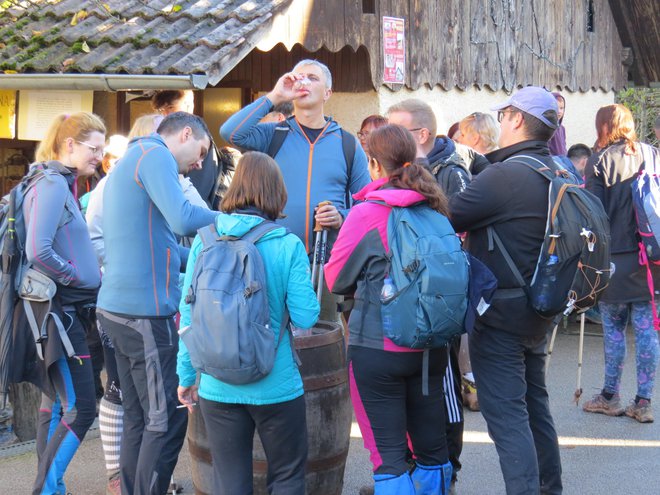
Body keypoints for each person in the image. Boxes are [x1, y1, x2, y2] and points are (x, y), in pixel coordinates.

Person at [177, 151, 319, 494]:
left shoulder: (204, 240)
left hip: (216, 384)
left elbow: (188, 314)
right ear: (277, 192)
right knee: (286, 476)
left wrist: (186, 377)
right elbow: (305, 316)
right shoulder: (287, 244)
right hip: (276, 382)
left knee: (230, 481)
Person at [325, 124, 454, 494]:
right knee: (432, 450)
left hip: (377, 347)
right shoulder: (435, 209)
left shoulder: (366, 214)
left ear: (373, 164)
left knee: (389, 456)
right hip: (431, 347)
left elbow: (336, 279)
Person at [449, 86, 563, 494]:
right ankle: (550, 489)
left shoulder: (506, 175)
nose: (500, 121)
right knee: (535, 408)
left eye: (504, 115)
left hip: (500, 314)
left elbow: (447, 213)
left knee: (506, 415)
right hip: (541, 307)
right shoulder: (558, 170)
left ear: (516, 119)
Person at [96, 112, 217, 495]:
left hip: (116, 310)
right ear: (184, 134)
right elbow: (182, 221)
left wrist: (201, 260)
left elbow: (161, 244)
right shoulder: (155, 156)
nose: (199, 164)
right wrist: (231, 219)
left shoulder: (132, 160)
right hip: (143, 314)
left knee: (138, 417)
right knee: (165, 421)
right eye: (199, 152)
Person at [220, 59, 370, 320]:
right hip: (274, 256)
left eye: (312, 78)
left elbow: (366, 204)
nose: (303, 82)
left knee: (322, 339)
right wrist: (275, 96)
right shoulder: (274, 134)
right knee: (274, 333)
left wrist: (341, 216)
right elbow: (231, 132)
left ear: (328, 93)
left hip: (326, 262)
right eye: (298, 77)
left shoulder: (347, 143)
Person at [387, 99, 469, 487]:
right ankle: (413, 472)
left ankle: (447, 469)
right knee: (410, 397)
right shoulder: (402, 175)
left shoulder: (451, 174)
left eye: (396, 130)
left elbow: (455, 248)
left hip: (437, 310)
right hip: (407, 308)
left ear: (420, 136)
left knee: (444, 393)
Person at [24, 112, 106, 494]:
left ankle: (50, 487)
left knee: (56, 404)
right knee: (82, 407)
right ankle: (46, 487)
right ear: (70, 144)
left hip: (56, 313)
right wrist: (76, 277)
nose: (99, 158)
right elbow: (38, 250)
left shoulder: (49, 181)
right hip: (62, 314)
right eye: (94, 149)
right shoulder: (54, 184)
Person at [582, 104, 659, 423]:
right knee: (646, 329)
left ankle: (610, 396)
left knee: (613, 328)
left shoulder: (598, 160)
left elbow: (593, 213)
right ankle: (643, 401)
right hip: (650, 256)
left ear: (602, 126)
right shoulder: (651, 153)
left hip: (613, 258)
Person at [152, 90, 232, 208]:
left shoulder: (200, 138)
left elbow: (200, 189)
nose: (165, 114)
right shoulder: (155, 137)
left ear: (188, 104)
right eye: (160, 110)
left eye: (169, 107)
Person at [387, 99, 470, 197]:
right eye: (387, 131)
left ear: (422, 135)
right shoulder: (394, 165)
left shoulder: (452, 175)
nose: (388, 137)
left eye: (397, 131)